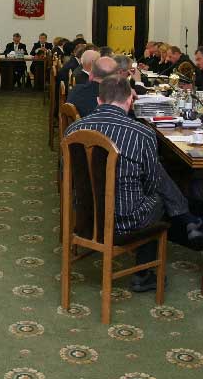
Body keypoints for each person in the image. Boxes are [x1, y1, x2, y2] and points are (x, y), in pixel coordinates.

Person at [64, 76, 171, 292]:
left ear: (98, 100)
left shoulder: (73, 130)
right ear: (130, 101)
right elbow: (151, 182)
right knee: (159, 199)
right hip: (126, 221)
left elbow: (70, 177)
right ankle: (143, 273)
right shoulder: (143, 134)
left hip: (87, 217)